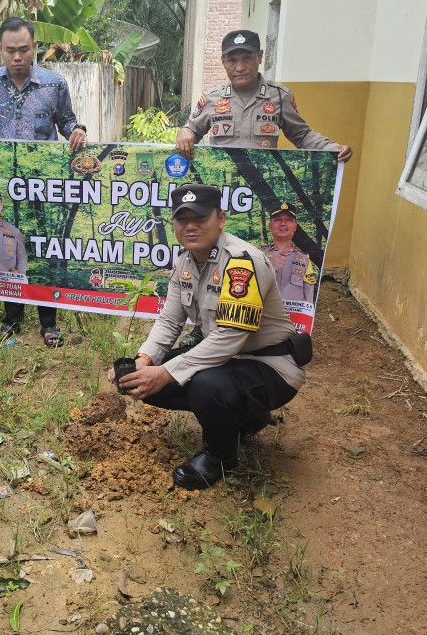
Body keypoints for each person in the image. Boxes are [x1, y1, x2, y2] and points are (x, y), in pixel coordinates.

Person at [110, 185, 306, 491]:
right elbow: (169, 320)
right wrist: (143, 360)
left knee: (204, 384)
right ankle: (246, 418)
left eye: (200, 217)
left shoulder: (243, 261)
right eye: (182, 218)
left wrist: (165, 372)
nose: (190, 226)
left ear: (221, 219)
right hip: (226, 360)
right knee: (140, 379)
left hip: (271, 365)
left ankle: (220, 456)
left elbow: (230, 337)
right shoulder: (185, 262)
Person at [0, 16, 88, 347]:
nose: (17, 57)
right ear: (0, 50)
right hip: (4, 189)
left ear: (34, 47)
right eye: (10, 51)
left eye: (24, 49)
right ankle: (11, 319)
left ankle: (48, 322)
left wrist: (77, 131)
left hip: (42, 187)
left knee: (43, 250)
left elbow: (67, 122)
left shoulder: (54, 85)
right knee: (8, 249)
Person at [176, 30, 353, 163]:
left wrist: (331, 148)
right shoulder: (211, 99)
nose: (240, 67)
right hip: (223, 190)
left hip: (264, 191)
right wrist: (185, 132)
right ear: (223, 62)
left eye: (247, 58)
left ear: (259, 57)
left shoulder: (279, 97)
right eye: (232, 60)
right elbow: (191, 131)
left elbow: (302, 135)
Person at [261, 202, 317, 303]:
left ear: (295, 226)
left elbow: (309, 294)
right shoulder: (258, 255)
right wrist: (267, 266)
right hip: (265, 315)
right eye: (277, 220)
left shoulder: (304, 259)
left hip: (294, 317)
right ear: (270, 226)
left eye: (289, 220)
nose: (283, 223)